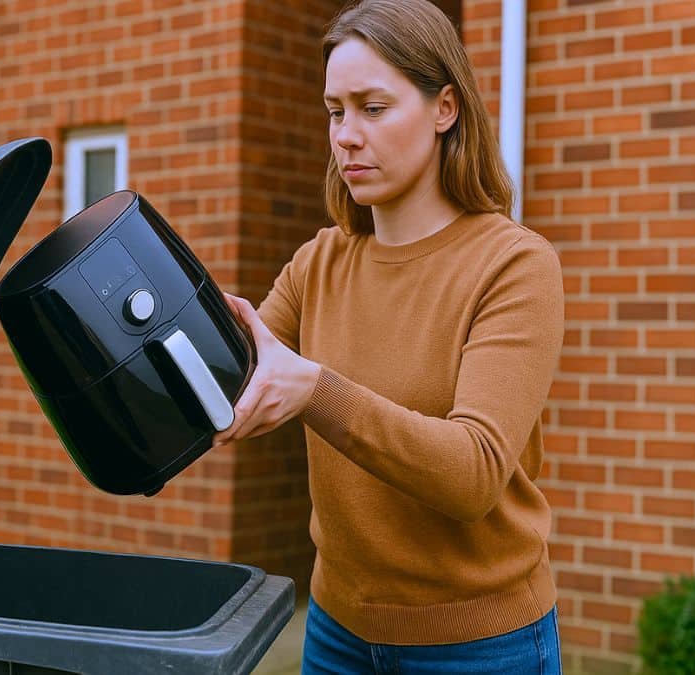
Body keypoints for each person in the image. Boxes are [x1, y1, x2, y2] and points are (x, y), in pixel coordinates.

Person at [210, 0, 566, 672]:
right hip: (336, 630)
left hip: (480, 645)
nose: (345, 134)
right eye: (335, 110)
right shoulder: (321, 261)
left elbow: (474, 472)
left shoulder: (514, 265)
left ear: (445, 110)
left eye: (372, 108)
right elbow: (236, 379)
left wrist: (317, 389)